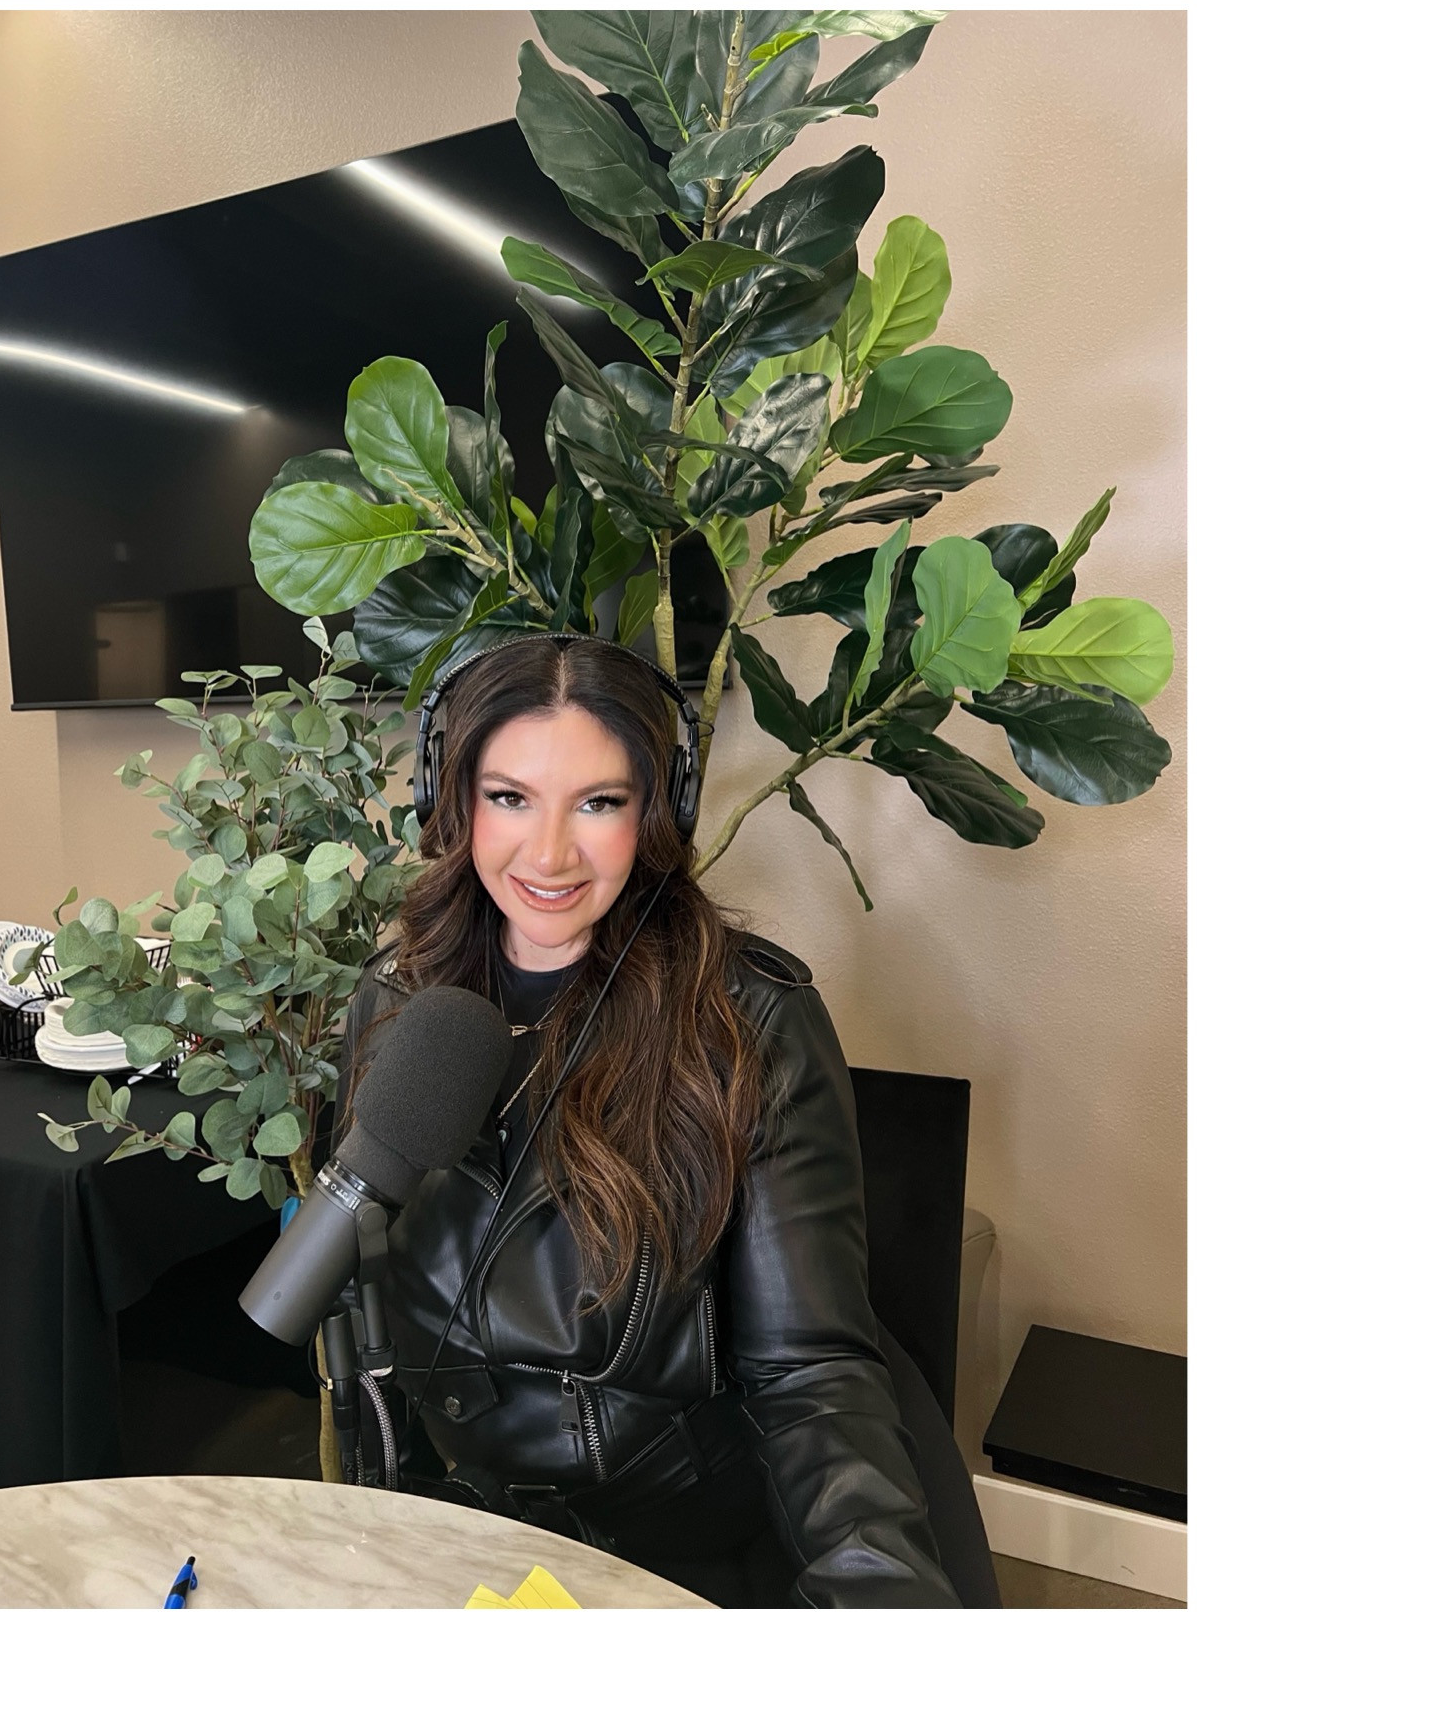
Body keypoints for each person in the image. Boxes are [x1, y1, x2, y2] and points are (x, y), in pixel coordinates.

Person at [335, 633, 999, 1608]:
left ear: (657, 810)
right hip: (471, 1540)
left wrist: (876, 1598)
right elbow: (369, 1311)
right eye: (510, 797)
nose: (549, 853)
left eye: (598, 803)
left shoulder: (747, 1020)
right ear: (453, 797)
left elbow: (811, 1375)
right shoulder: (394, 1004)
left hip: (680, 1553)